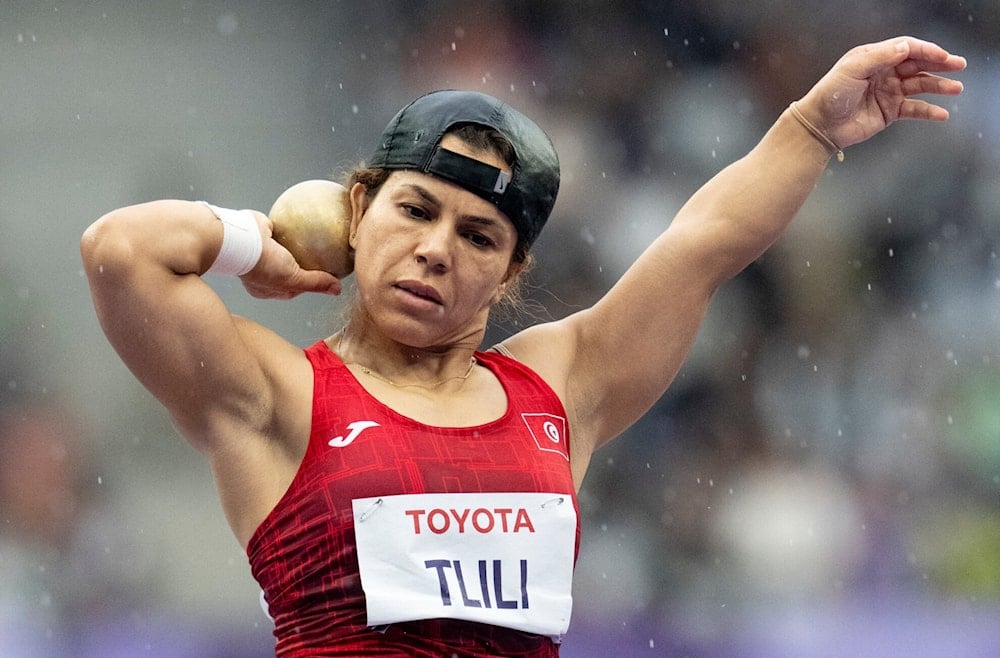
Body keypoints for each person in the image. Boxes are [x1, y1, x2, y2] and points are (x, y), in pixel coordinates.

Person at [81, 36, 965, 657]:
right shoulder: (277, 394)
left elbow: (704, 244)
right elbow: (120, 251)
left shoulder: (560, 386)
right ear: (358, 213)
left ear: (508, 274)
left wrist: (809, 131)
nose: (437, 248)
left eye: (479, 236)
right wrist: (252, 241)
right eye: (415, 211)